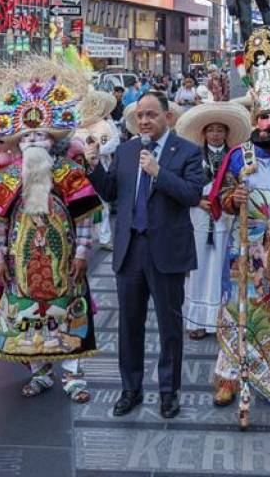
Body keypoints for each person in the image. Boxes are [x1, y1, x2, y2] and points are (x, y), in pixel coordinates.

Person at [0, 77, 102, 401]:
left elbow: (84, 216)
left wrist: (81, 254)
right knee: (26, 316)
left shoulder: (68, 173)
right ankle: (40, 372)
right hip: (20, 264)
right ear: (18, 141)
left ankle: (74, 378)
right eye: (28, 135)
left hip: (64, 262)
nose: (34, 140)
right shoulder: (4, 178)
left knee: (68, 313)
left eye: (41, 135)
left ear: (53, 139)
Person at [88, 91, 205, 419]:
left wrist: (158, 173)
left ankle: (169, 392)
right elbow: (111, 193)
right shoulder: (126, 151)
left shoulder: (187, 152)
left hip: (167, 251)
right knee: (129, 324)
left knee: (170, 327)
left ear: (168, 117)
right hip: (130, 250)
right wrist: (95, 166)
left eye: (151, 115)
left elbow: (192, 195)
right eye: (140, 115)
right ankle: (131, 389)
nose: (144, 121)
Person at [205, 28, 270, 410]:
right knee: (238, 312)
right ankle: (229, 374)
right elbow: (220, 199)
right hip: (246, 250)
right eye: (266, 115)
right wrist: (234, 197)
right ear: (255, 117)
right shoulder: (239, 156)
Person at [176, 103, 249, 341]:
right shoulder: (193, 155)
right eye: (211, 130)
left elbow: (242, 184)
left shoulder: (235, 157)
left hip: (226, 215)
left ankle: (221, 320)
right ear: (204, 133)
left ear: (227, 133)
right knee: (198, 266)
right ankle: (197, 319)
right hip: (199, 214)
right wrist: (197, 200)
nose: (216, 134)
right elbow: (184, 184)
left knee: (222, 267)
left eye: (220, 130)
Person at [75, 90, 121, 250]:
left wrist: (96, 151)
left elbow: (111, 143)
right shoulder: (78, 123)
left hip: (100, 168)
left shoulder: (104, 126)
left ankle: (104, 238)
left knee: (103, 203)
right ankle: (83, 238)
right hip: (79, 169)